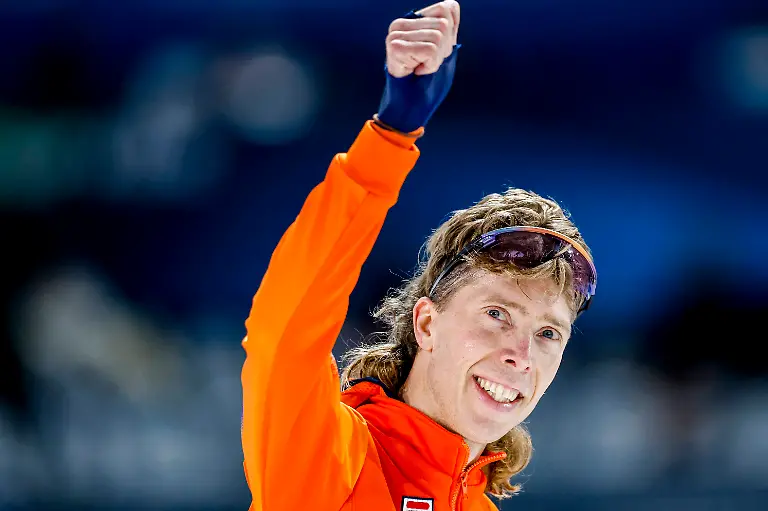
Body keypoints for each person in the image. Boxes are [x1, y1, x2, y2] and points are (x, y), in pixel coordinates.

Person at [240, 2, 597, 510]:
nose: (521, 353)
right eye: (497, 314)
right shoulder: (331, 463)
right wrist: (389, 138)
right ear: (426, 324)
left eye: (547, 333)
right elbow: (285, 331)